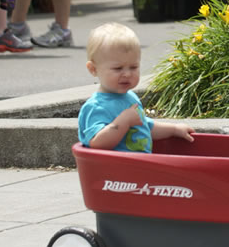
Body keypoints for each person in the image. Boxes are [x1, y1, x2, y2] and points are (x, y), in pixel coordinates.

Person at [78, 23, 194, 151]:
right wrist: (123, 122)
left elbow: (145, 126)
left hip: (136, 167)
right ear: (93, 69)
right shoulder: (96, 107)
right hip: (114, 169)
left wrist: (174, 130)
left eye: (133, 67)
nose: (127, 74)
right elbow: (97, 142)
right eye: (118, 68)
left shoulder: (130, 97)